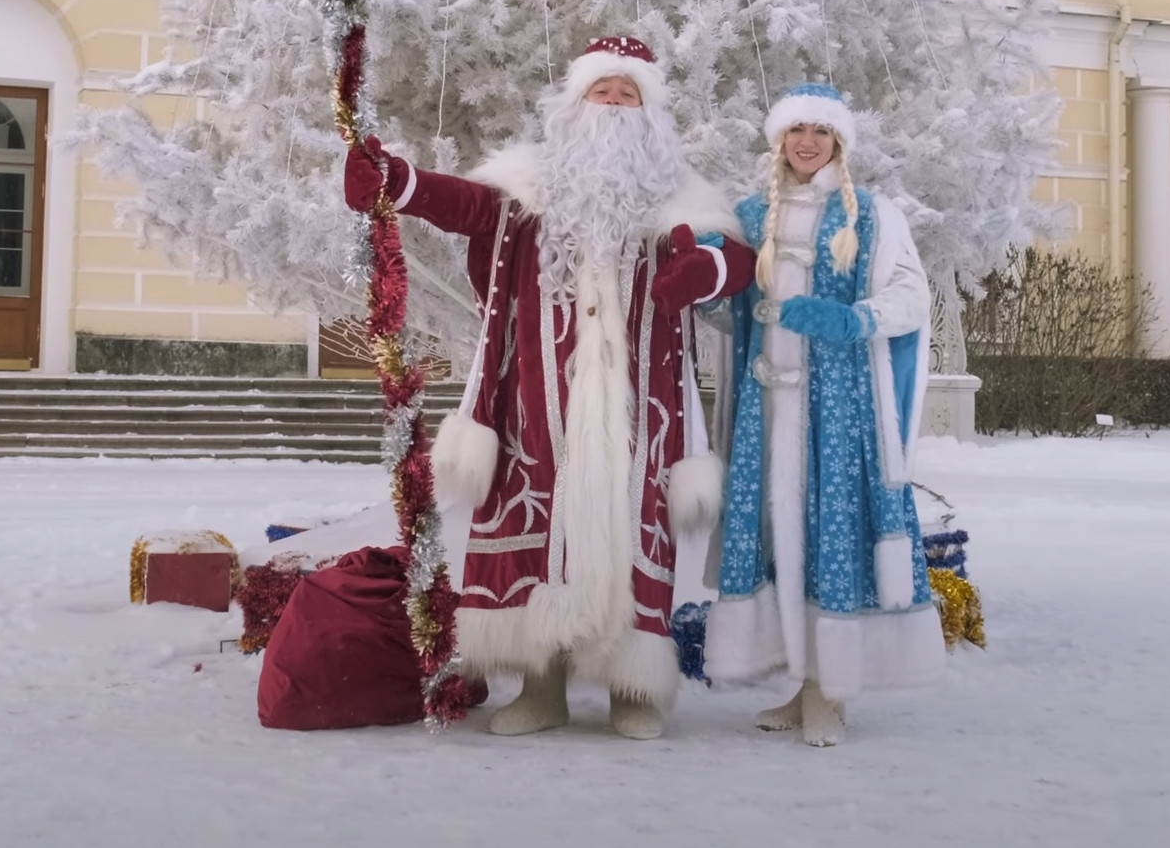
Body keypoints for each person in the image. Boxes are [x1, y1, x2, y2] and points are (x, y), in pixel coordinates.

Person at [343, 36, 755, 739]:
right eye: (603, 91)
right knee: (540, 534)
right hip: (539, 405)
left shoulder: (680, 197)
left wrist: (703, 272)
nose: (615, 104)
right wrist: (398, 182)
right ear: (573, 103)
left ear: (651, 112)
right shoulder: (528, 185)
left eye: (629, 94)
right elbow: (465, 205)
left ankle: (635, 690)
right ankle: (541, 684)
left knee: (633, 534)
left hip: (641, 414)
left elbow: (734, 259)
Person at [703, 82, 943, 746]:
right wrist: (701, 292)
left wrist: (850, 317)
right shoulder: (750, 214)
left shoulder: (870, 214)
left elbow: (911, 297)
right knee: (778, 536)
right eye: (795, 130)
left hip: (838, 409)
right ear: (777, 139)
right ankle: (798, 680)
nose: (806, 142)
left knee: (828, 534)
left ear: (839, 141)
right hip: (764, 404)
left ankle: (827, 693)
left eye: (820, 132)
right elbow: (730, 312)